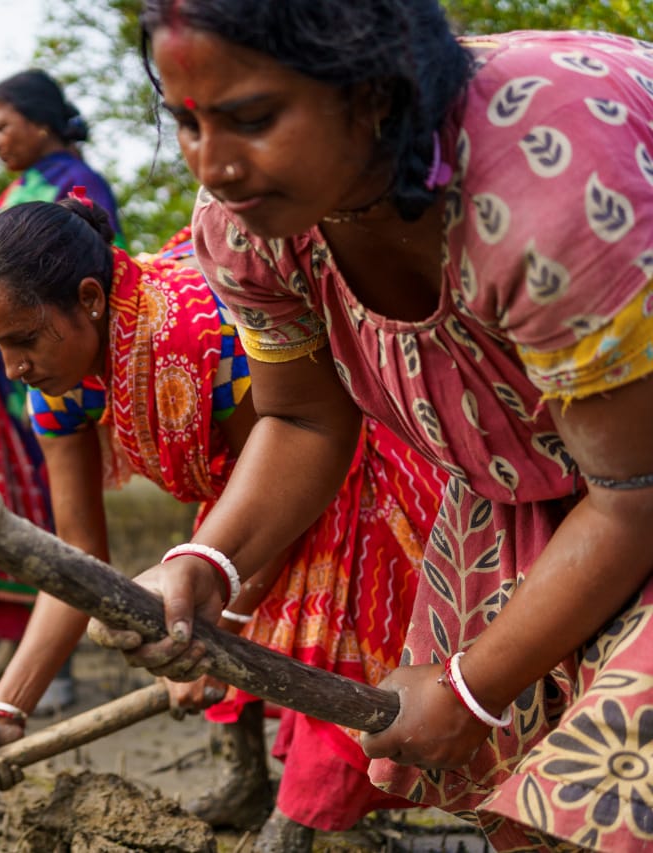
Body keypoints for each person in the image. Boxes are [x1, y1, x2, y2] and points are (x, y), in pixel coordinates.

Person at [87, 2, 653, 850]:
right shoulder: (248, 229)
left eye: (251, 118)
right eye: (188, 123)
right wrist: (209, 561)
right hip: (541, 478)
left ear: (374, 92)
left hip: (634, 478)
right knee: (533, 813)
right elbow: (304, 417)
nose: (215, 165)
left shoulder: (545, 192)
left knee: (609, 799)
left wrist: (470, 686)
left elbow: (632, 493)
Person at [0, 196, 445, 848]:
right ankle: (247, 781)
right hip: (246, 480)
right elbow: (77, 562)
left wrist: (222, 627)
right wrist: (6, 709)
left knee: (310, 630)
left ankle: (300, 826)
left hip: (342, 468)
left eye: (25, 339)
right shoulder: (56, 389)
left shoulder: (196, 333)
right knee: (198, 582)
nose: (14, 368)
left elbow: (292, 466)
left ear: (91, 298)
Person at [0, 69, 124, 705]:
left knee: (40, 501)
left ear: (40, 123)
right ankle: (19, 650)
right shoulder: (22, 187)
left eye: (1, 125)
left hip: (19, 387)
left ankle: (56, 666)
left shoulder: (76, 187)